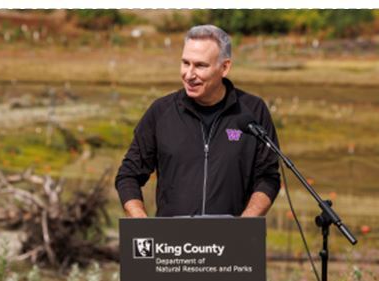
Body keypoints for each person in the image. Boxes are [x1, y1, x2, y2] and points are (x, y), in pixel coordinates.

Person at [115, 24, 280, 218]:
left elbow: (268, 177)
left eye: (200, 65)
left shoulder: (253, 111)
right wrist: (141, 221)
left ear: (224, 67)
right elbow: (128, 175)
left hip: (232, 242)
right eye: (186, 63)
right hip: (172, 243)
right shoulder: (161, 112)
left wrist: (243, 225)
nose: (189, 75)